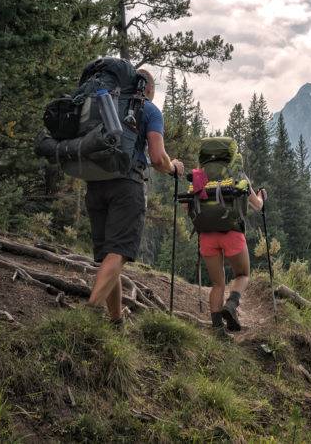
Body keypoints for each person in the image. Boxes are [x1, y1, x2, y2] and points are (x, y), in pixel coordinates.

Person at [86, 68, 184, 325]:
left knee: (110, 255)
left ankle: (116, 321)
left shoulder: (104, 103)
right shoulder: (149, 110)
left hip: (95, 182)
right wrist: (173, 166)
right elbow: (157, 158)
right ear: (148, 88)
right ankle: (88, 316)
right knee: (118, 252)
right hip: (126, 185)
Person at [201, 186, 267, 336]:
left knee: (217, 283)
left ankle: (218, 331)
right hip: (231, 230)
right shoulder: (237, 171)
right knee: (243, 274)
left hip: (207, 233)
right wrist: (261, 196)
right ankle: (231, 305)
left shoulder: (201, 173)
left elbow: (187, 205)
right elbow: (257, 205)